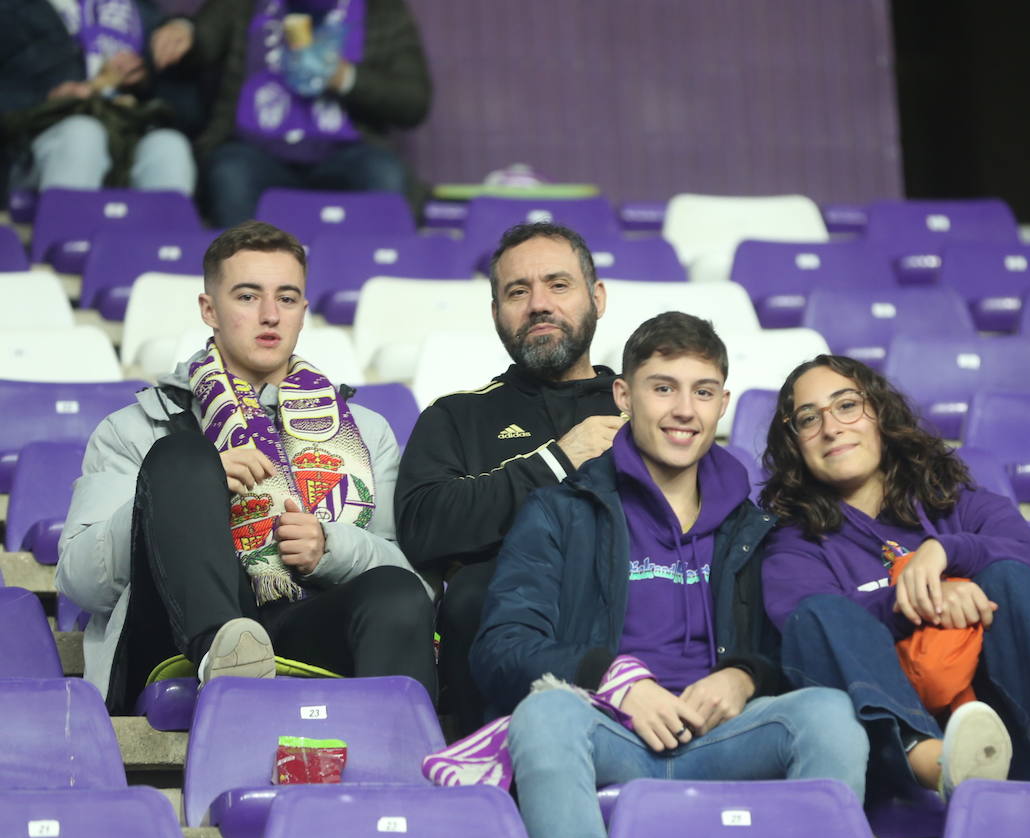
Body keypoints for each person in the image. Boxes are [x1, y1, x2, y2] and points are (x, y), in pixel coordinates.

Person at [460, 313, 867, 838]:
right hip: (609, 732)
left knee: (829, 715)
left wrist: (745, 675)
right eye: (663, 387)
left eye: (702, 392)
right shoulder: (560, 511)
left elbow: (797, 648)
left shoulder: (757, 527)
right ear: (624, 395)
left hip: (725, 736)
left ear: (723, 403)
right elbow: (499, 649)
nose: (684, 410)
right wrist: (614, 681)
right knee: (544, 717)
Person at [57, 220, 436, 712]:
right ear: (209, 310)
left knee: (396, 593)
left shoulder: (364, 431)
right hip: (172, 637)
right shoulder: (136, 428)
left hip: (306, 622)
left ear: (304, 310)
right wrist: (176, 499)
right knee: (183, 459)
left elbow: (418, 584)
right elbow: (80, 581)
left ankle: (403, 766)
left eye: (286, 297)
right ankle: (222, 651)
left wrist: (331, 547)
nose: (269, 315)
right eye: (247, 296)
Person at [759, 355, 1030, 800]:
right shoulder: (792, 542)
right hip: (896, 737)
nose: (832, 427)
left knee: (1010, 573)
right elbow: (806, 629)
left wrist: (946, 552)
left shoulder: (953, 503)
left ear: (880, 414)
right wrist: (926, 598)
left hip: (1006, 717)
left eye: (846, 406)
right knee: (816, 615)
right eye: (808, 418)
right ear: (795, 442)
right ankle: (938, 763)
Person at [397, 222, 624, 731]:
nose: (539, 304)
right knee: (478, 591)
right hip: (502, 639)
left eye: (558, 285)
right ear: (497, 312)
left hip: (629, 609)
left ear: (598, 297)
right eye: (517, 291)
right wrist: (558, 460)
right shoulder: (456, 416)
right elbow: (421, 526)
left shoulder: (642, 407)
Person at [148, 0, 431, 227]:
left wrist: (345, 78)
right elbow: (200, 41)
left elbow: (414, 103)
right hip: (254, 150)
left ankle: (372, 276)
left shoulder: (383, 9)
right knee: (230, 173)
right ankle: (240, 286)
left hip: (349, 151)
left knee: (385, 174)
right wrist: (182, 29)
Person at [1, 0, 196, 196]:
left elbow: (183, 99)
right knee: (83, 134)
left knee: (169, 146)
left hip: (125, 131)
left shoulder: (129, 8)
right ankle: (65, 226)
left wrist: (146, 73)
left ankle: (165, 227)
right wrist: (48, 97)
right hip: (36, 140)